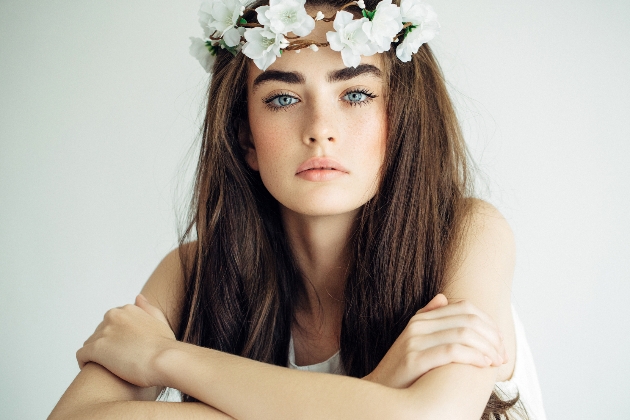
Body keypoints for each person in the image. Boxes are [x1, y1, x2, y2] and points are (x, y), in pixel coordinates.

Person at [49, 0, 546, 418]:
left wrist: (164, 356)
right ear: (245, 138)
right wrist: (376, 391)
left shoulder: (466, 235)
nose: (319, 129)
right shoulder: (194, 271)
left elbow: (423, 417)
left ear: (401, 122)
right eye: (283, 98)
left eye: (355, 93)